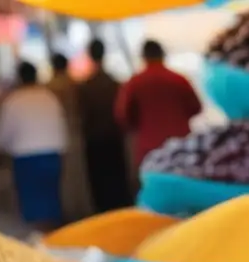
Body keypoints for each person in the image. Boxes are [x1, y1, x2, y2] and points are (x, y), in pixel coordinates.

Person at [0, 61, 67, 230]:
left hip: (26, 160)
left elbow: (2, 136)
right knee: (52, 202)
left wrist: (0, 148)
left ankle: (42, 244)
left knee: (34, 208)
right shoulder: (49, 97)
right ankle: (56, 238)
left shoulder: (13, 101)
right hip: (53, 155)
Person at [114, 39, 201, 168]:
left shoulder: (133, 83)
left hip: (149, 148)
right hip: (181, 145)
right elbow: (196, 107)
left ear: (143, 58)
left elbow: (122, 116)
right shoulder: (179, 80)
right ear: (162, 55)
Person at [77, 39, 131, 212]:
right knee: (117, 179)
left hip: (94, 139)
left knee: (99, 182)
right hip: (114, 137)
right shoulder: (115, 84)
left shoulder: (85, 87)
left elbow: (82, 116)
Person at [46, 52, 91, 222]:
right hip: (76, 133)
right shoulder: (76, 85)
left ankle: (69, 211)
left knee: (65, 178)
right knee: (80, 176)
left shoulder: (49, 87)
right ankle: (82, 210)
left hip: (56, 136)